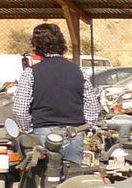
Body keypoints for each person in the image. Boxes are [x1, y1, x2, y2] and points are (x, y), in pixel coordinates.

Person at [11, 23, 99, 163]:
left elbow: (20, 111)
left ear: (36, 45)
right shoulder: (79, 71)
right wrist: (87, 127)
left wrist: (26, 130)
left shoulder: (31, 73)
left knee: (41, 180)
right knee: (71, 179)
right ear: (62, 43)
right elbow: (93, 107)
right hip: (74, 133)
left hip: (43, 133)